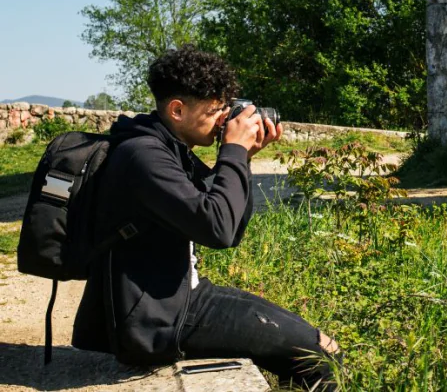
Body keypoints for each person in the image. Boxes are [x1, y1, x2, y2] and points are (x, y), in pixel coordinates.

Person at [72, 45, 340, 390]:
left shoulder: (162, 147)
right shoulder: (143, 156)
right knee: (320, 354)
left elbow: (230, 225)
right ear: (178, 110)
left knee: (320, 347)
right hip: (159, 318)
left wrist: (242, 158)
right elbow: (219, 229)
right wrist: (233, 150)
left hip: (179, 297)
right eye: (217, 110)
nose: (225, 119)